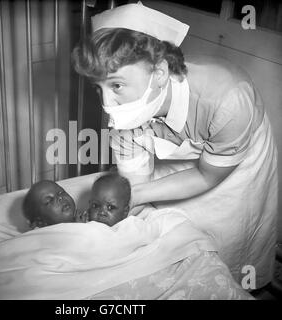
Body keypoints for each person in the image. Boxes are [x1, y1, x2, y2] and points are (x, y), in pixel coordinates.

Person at [71, 2, 278, 288]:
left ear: (158, 74)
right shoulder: (124, 117)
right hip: (180, 157)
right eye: (98, 88)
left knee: (228, 239)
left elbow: (207, 175)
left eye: (116, 86)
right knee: (171, 226)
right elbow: (136, 186)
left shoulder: (228, 100)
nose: (106, 104)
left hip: (233, 168)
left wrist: (138, 196)